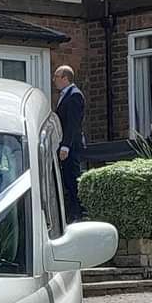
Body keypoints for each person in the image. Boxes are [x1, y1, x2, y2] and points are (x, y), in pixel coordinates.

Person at [53, 65, 85, 222]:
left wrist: (65, 146)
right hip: (66, 145)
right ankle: (72, 212)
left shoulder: (74, 95)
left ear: (65, 78)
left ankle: (77, 213)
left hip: (70, 147)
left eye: (56, 77)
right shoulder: (65, 95)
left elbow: (73, 124)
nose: (54, 81)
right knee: (67, 179)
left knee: (72, 179)